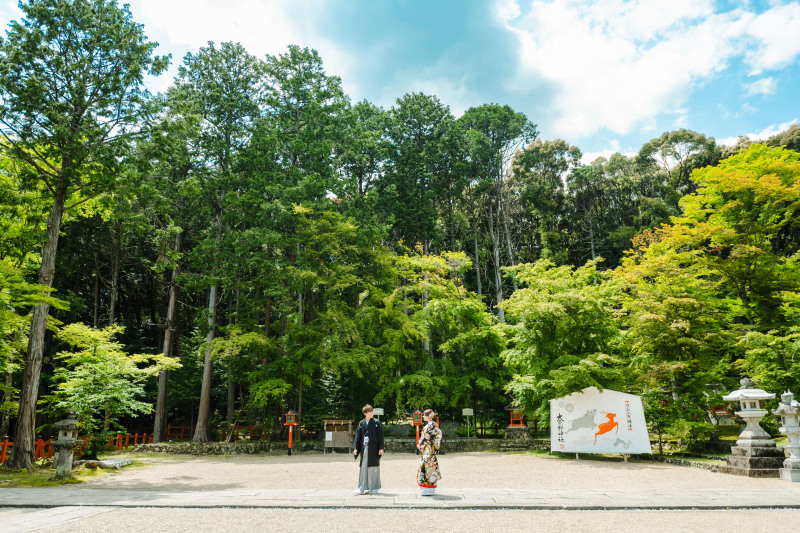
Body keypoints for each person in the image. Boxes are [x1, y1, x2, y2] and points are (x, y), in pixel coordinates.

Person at [352, 404, 384, 494]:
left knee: (374, 467)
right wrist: (356, 448)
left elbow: (381, 436)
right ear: (365, 413)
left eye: (372, 411)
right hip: (364, 448)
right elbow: (358, 437)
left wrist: (381, 448)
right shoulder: (362, 423)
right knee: (363, 467)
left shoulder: (377, 422)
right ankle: (362, 487)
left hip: (374, 448)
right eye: (369, 412)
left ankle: (374, 487)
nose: (371, 413)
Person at [416, 408, 442, 496]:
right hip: (430, 450)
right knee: (431, 466)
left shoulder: (430, 426)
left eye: (424, 415)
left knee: (427, 467)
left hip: (428, 450)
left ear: (428, 416)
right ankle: (430, 488)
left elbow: (427, 437)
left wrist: (420, 445)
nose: (423, 416)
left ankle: (428, 489)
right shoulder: (433, 425)